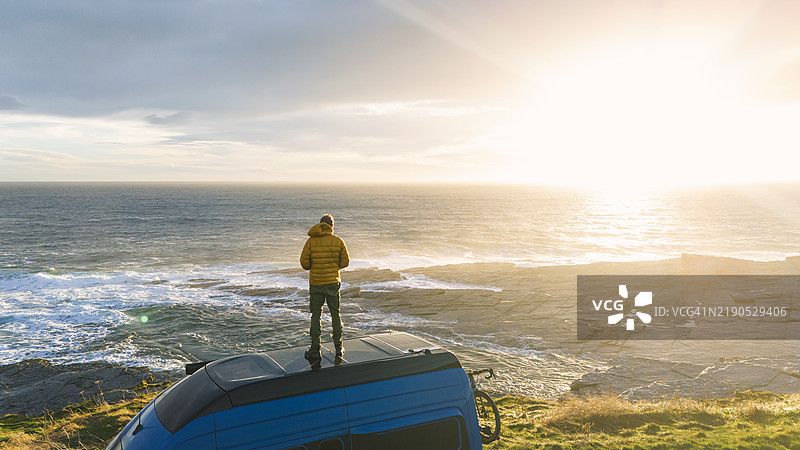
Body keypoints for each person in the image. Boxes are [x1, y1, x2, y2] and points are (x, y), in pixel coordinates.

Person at [300, 214, 350, 365]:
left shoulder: (311, 241)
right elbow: (346, 262)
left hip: (316, 283)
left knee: (316, 315)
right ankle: (339, 348)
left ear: (320, 225)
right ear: (332, 226)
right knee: (336, 314)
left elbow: (304, 263)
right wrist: (335, 268)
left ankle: (315, 349)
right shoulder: (338, 241)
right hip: (333, 283)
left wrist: (315, 267)